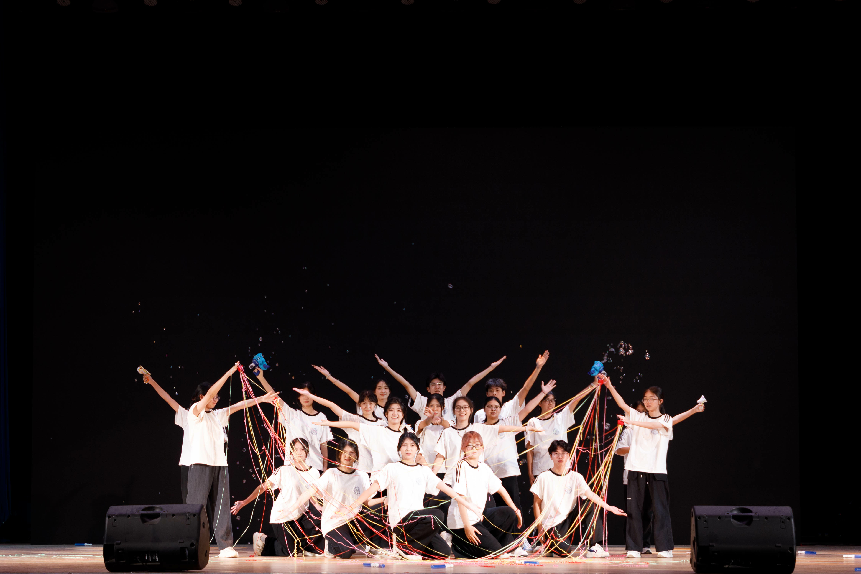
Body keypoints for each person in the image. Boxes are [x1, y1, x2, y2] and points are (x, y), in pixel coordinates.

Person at [181, 362, 279, 558]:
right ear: (202, 397)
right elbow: (210, 393)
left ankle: (225, 546)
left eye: (217, 397)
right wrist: (229, 373)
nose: (216, 399)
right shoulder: (195, 412)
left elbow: (239, 405)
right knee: (196, 506)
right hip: (200, 464)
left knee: (221, 507)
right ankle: (190, 544)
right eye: (213, 396)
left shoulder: (218, 415)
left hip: (220, 465)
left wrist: (262, 399)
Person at [602, 373, 705, 558]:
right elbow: (622, 404)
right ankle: (634, 548)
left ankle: (664, 547)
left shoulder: (664, 419)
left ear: (660, 401)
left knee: (660, 509)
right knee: (634, 510)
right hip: (635, 468)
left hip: (656, 470)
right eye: (645, 399)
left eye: (652, 399)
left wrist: (693, 410)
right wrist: (609, 385)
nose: (648, 402)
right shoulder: (638, 415)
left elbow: (658, 424)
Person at [343, 432, 482, 560]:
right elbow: (370, 491)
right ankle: (404, 547)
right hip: (401, 523)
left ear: (417, 449)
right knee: (437, 514)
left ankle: (408, 548)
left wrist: (470, 506)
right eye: (404, 445)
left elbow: (447, 489)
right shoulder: (392, 468)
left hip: (419, 523)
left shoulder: (424, 471)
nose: (408, 449)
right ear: (399, 449)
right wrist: (351, 507)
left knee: (443, 552)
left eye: (412, 445)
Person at [284, 438, 386, 559]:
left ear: (356, 456)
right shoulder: (331, 473)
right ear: (339, 454)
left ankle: (374, 547)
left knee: (382, 508)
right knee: (346, 553)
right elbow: (309, 492)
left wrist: (384, 499)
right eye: (344, 452)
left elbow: (367, 502)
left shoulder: (362, 476)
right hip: (335, 523)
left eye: (351, 452)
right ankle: (331, 546)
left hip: (354, 520)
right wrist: (291, 508)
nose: (347, 456)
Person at [530, 440, 626, 558]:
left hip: (569, 518)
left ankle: (594, 547)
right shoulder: (543, 477)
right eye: (556, 453)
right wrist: (540, 528)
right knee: (565, 552)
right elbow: (536, 503)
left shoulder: (575, 477)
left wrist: (609, 507)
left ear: (568, 455)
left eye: (563, 453)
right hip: (551, 524)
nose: (560, 456)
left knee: (590, 505)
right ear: (551, 456)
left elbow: (590, 494)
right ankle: (546, 545)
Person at [230, 438, 323, 557]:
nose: (299, 452)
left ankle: (306, 546)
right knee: (290, 552)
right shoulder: (284, 470)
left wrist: (322, 508)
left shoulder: (314, 472)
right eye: (296, 449)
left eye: (302, 449)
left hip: (301, 516)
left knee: (319, 517)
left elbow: (312, 496)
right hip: (283, 517)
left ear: (307, 452)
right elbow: (263, 487)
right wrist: (244, 502)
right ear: (291, 453)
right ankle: (264, 540)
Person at [446, 431, 524, 558]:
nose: (474, 448)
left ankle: (500, 548)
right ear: (463, 448)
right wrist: (467, 526)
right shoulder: (461, 466)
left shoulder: (484, 468)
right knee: (494, 552)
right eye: (470, 445)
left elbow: (501, 489)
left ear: (482, 448)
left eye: (477, 445)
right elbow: (460, 498)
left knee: (508, 513)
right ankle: (458, 545)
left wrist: (516, 510)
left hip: (478, 517)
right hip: (463, 522)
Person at [482, 379, 556, 512]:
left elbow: (527, 409)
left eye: (496, 407)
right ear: (484, 409)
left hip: (508, 472)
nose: (493, 409)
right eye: (490, 406)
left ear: (500, 409)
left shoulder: (507, 421)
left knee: (513, 511)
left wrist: (542, 393)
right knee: (490, 512)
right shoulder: (478, 426)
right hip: (487, 475)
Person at [375, 354, 506, 422]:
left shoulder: (452, 401)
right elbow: (406, 385)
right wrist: (387, 367)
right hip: (427, 454)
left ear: (444, 388)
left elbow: (470, 383)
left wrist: (491, 368)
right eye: (433, 384)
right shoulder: (422, 402)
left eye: (440, 384)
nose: (437, 387)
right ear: (428, 389)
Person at [291, 387, 385, 474]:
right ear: (359, 404)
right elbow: (332, 405)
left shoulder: (382, 424)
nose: (367, 406)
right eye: (364, 403)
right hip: (358, 469)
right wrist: (310, 396)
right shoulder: (353, 419)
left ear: (375, 404)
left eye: (370, 403)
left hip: (379, 470)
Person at [254, 369, 331, 472]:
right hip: (293, 470)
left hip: (315, 469)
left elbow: (324, 445)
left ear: (314, 396)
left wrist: (325, 469)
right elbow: (274, 396)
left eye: (308, 394)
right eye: (302, 394)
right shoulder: (292, 414)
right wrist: (261, 378)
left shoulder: (321, 417)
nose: (305, 398)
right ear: (298, 397)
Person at [311, 396, 413, 472]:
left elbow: (418, 455)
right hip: (378, 479)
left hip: (400, 479)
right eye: (391, 410)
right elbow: (352, 424)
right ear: (386, 414)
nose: (395, 413)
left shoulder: (408, 433)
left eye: (398, 410)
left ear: (403, 414)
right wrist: (329, 423)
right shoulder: (377, 430)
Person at [525, 381, 597, 485]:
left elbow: (576, 399)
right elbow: (530, 450)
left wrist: (593, 384)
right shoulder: (533, 422)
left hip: (562, 470)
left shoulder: (561, 418)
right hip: (541, 470)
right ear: (539, 403)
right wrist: (530, 473)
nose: (551, 403)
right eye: (547, 400)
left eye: (553, 400)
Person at [141, 371, 195, 503]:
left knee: (205, 504)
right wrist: (151, 381)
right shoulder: (187, 416)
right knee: (188, 504)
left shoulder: (211, 418)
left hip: (205, 465)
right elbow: (168, 398)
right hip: (188, 464)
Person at [614, 400, 654, 554]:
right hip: (631, 478)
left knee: (647, 512)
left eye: (644, 412)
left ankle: (645, 544)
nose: (641, 414)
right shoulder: (628, 430)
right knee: (632, 512)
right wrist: (635, 448)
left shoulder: (652, 429)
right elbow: (619, 450)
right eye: (638, 411)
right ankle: (632, 545)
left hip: (649, 476)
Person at [474, 350, 550, 424]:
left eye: (497, 390)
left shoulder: (510, 408)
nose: (494, 393)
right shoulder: (479, 414)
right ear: (487, 394)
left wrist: (538, 368)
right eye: (491, 390)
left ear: (503, 393)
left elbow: (525, 389)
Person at [311, 364, 389, 418]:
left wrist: (387, 367)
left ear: (389, 391)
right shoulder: (365, 402)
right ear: (374, 391)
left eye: (386, 388)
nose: (383, 391)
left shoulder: (392, 408)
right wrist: (329, 376)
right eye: (379, 388)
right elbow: (349, 391)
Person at [414, 393, 451, 469]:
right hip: (425, 466)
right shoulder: (421, 423)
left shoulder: (449, 422)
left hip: (443, 467)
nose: (434, 408)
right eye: (431, 406)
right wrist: (430, 418)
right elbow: (422, 425)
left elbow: (448, 425)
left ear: (443, 407)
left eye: (438, 406)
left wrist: (440, 421)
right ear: (427, 407)